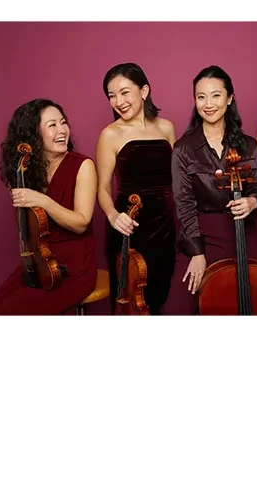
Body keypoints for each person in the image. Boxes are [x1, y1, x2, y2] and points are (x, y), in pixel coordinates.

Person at [162, 65, 257, 315]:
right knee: (180, 308)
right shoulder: (183, 149)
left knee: (255, 300)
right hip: (200, 233)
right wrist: (197, 252)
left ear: (229, 98)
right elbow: (184, 204)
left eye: (216, 95)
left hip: (243, 232)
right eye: (201, 96)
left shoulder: (248, 145)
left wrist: (252, 201)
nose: (208, 104)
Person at [0, 99, 97, 315]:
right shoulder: (25, 172)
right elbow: (26, 228)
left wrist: (41, 199)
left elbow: (81, 223)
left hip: (73, 266)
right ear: (33, 134)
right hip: (38, 262)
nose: (62, 130)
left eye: (63, 123)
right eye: (52, 125)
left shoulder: (83, 166)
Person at [96, 62, 176, 315]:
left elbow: (177, 178)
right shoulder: (110, 134)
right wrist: (112, 216)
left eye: (124, 92)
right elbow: (103, 188)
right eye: (111, 96)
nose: (118, 101)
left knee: (158, 296)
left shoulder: (166, 127)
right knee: (128, 300)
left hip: (164, 226)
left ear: (144, 91)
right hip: (128, 225)